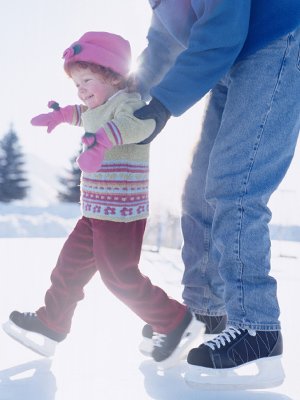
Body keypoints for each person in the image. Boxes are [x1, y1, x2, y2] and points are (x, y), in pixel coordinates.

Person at [2, 31, 204, 368]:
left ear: (112, 76)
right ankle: (51, 323)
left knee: (120, 277)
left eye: (86, 79)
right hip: (94, 213)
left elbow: (138, 127)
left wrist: (106, 139)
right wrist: (60, 115)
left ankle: (175, 321)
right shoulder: (97, 107)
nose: (80, 89)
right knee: (67, 268)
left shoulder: (128, 103)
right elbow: (82, 114)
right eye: (76, 83)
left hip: (121, 215)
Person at [132, 0, 300, 390]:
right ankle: (206, 311)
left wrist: (160, 107)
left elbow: (221, 34)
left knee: (236, 183)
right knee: (198, 191)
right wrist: (121, 97)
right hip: (235, 57)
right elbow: (161, 45)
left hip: (275, 40)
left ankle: (258, 329)